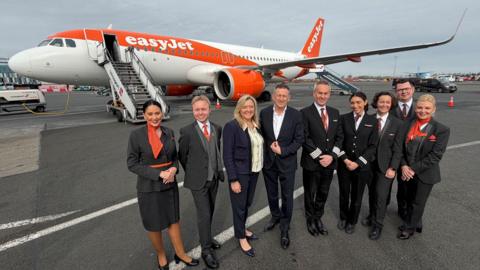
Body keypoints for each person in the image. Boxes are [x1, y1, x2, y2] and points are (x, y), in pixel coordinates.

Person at [127, 100, 199, 270]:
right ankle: (160, 254)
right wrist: (159, 174)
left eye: (157, 113)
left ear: (162, 113)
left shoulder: (169, 132)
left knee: (173, 220)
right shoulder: (136, 135)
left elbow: (174, 157)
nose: (154, 117)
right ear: (144, 115)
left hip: (169, 184)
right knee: (154, 224)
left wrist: (174, 169)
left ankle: (180, 253)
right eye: (150, 114)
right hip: (149, 187)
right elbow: (132, 163)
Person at [178, 95, 223, 269]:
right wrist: (194, 172)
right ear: (193, 111)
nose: (200, 112)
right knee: (204, 214)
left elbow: (215, 150)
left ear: (209, 110)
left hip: (214, 179)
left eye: (203, 109)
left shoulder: (217, 128)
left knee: (210, 210)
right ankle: (206, 250)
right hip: (198, 181)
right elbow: (183, 156)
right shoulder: (187, 131)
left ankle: (207, 237)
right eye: (197, 110)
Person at [397, 94, 450, 240]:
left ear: (433, 109)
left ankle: (409, 228)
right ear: (415, 108)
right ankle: (415, 222)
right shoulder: (407, 124)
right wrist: (404, 166)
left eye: (427, 108)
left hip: (425, 173)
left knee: (417, 202)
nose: (422, 111)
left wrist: (412, 168)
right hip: (406, 170)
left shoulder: (441, 129)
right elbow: (399, 148)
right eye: (420, 107)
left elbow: (435, 155)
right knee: (407, 199)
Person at [259, 84, 304, 249]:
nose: (281, 98)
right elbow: (261, 136)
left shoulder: (296, 115)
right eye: (278, 95)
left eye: (284, 96)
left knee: (286, 196)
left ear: (289, 98)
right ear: (273, 96)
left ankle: (285, 227)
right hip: (269, 163)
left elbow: (299, 140)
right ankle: (275, 216)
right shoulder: (263, 113)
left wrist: (283, 150)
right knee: (271, 194)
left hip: (287, 163)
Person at [300, 80, 343, 237]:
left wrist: (331, 156)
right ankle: (310, 219)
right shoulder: (304, 113)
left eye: (325, 93)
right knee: (310, 193)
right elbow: (305, 138)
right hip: (312, 163)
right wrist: (320, 157)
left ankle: (318, 218)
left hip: (330, 163)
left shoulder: (335, 113)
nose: (322, 96)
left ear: (329, 95)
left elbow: (340, 138)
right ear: (314, 93)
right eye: (320, 93)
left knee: (323, 193)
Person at [223, 94, 263, 257]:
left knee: (247, 204)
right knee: (239, 207)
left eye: (251, 107)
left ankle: (242, 228)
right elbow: (227, 155)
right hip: (240, 174)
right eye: (245, 107)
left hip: (254, 171)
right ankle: (241, 237)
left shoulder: (255, 125)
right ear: (239, 109)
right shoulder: (232, 127)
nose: (248, 110)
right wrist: (233, 179)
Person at [336, 92, 378, 234]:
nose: (355, 105)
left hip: (361, 167)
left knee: (357, 195)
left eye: (358, 102)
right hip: (344, 164)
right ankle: (343, 217)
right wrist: (346, 160)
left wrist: (358, 162)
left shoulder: (372, 121)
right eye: (352, 103)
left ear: (365, 102)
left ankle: (352, 221)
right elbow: (339, 141)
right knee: (344, 193)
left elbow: (373, 146)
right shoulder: (343, 119)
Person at [367, 91, 405, 240]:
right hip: (369, 165)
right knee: (371, 193)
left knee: (381, 196)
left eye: (387, 102)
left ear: (391, 104)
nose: (384, 105)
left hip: (386, 167)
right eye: (381, 102)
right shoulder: (368, 119)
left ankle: (377, 225)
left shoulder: (397, 123)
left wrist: (393, 168)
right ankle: (371, 215)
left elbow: (398, 149)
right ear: (376, 103)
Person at [391, 79, 416, 221]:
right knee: (391, 187)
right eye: (400, 90)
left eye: (406, 88)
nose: (404, 92)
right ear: (396, 92)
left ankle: (408, 211)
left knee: (409, 187)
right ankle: (400, 209)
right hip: (393, 154)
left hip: (413, 156)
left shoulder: (420, 106)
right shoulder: (390, 106)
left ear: (412, 89)